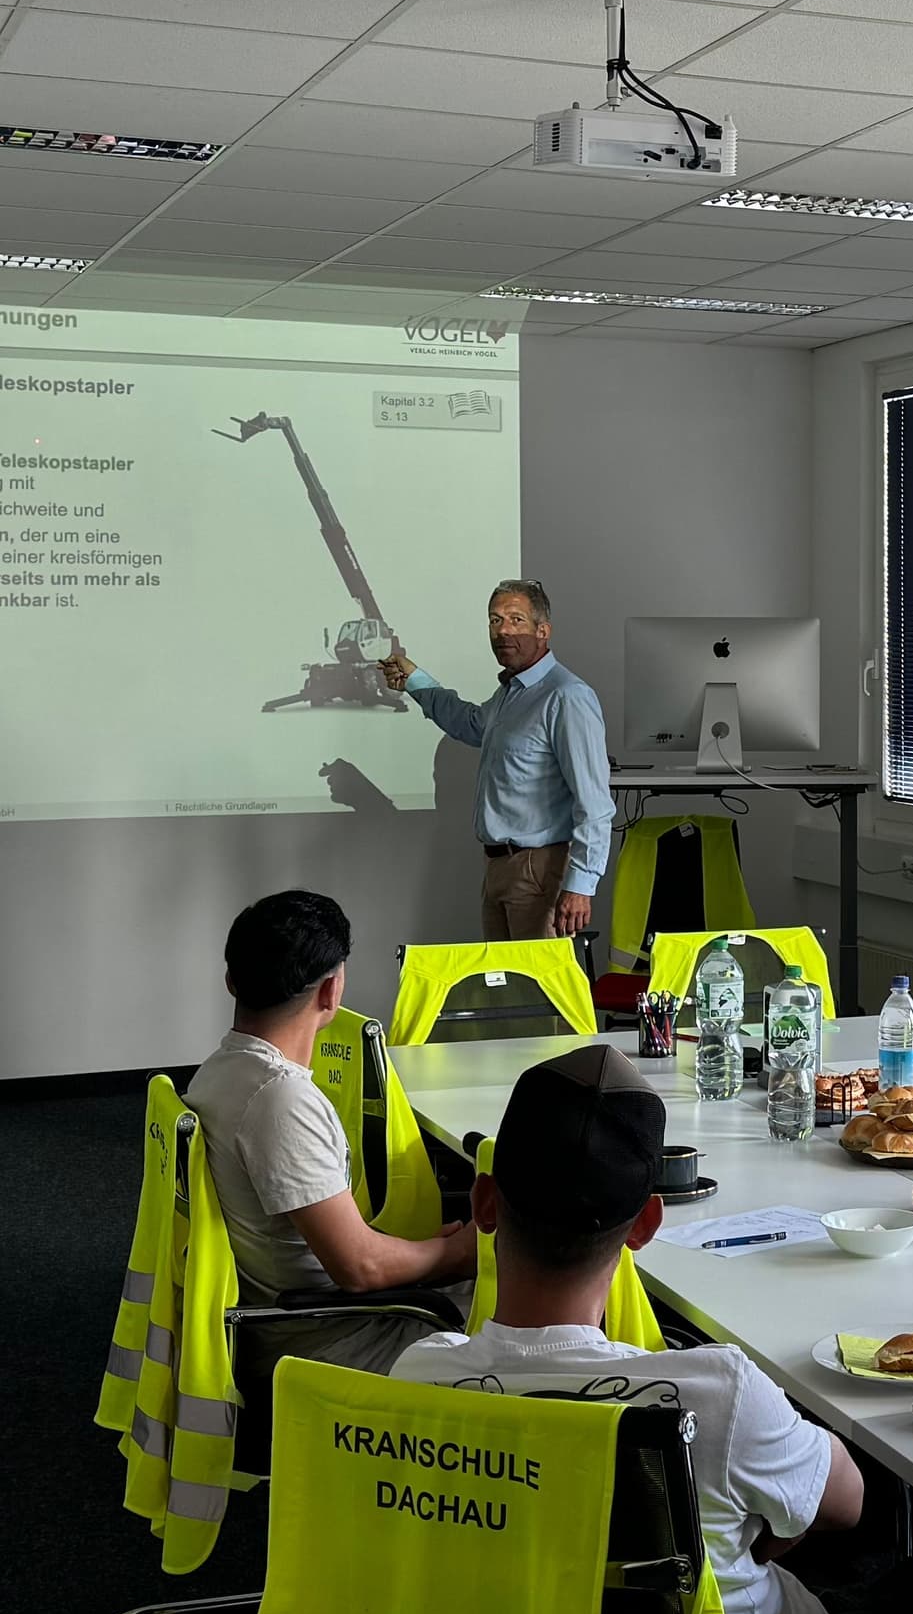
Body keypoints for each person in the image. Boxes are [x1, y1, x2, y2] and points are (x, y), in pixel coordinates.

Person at [396, 1047, 868, 1614]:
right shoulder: (717, 1394)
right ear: (647, 1222)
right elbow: (845, 1505)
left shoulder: (418, 1379)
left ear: (484, 1203)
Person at [184, 888, 474, 1371]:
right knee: (533, 1319)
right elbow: (362, 1269)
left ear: (232, 981)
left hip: (293, 1313)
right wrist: (457, 1253)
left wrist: (427, 1253)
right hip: (333, 1335)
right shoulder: (280, 1100)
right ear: (330, 992)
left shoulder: (219, 1071)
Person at [383, 578, 612, 940]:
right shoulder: (512, 694)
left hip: (539, 870)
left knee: (539, 990)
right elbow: (472, 724)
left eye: (516, 620)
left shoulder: (567, 697)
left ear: (543, 630)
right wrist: (415, 680)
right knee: (507, 991)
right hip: (499, 868)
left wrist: (581, 885)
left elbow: (595, 802)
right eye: (494, 621)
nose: (503, 631)